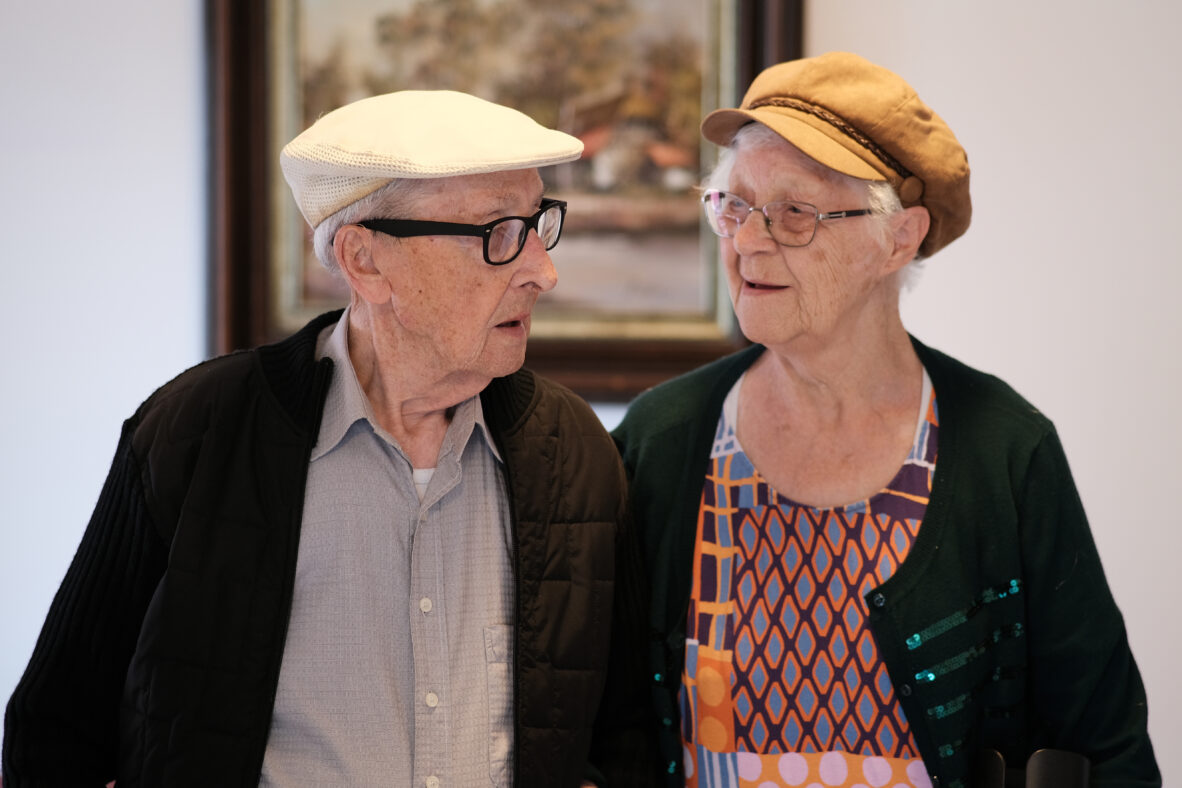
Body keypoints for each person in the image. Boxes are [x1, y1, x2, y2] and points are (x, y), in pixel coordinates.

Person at [3, 90, 651, 787]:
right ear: (364, 260)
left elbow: (626, 737)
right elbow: (55, 734)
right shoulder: (196, 432)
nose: (543, 272)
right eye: (498, 233)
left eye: (538, 224)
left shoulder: (574, 450)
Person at [612, 52, 1159, 787]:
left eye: (794, 213)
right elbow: (605, 727)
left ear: (898, 238)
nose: (745, 241)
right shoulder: (664, 437)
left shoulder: (1005, 450)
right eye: (733, 206)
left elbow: (1106, 748)